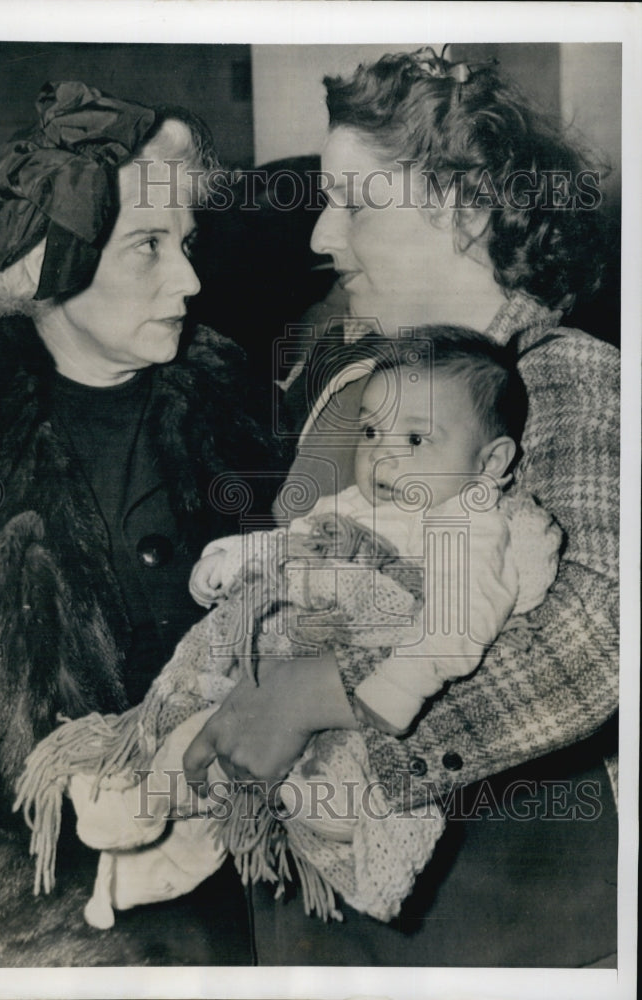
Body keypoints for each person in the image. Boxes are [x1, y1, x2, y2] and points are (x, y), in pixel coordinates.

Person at [180, 48, 619, 966]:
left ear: (464, 211)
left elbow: (599, 633)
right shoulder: (373, 383)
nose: (320, 239)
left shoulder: (563, 376)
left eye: (355, 203)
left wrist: (314, 697)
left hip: (499, 917)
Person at [0, 80, 284, 967]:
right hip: (33, 920)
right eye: (147, 245)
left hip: (239, 901)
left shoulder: (241, 413)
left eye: (185, 241)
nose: (189, 277)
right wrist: (49, 814)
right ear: (50, 269)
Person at [17, 325, 561, 932]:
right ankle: (140, 817)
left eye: (414, 438)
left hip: (374, 694)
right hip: (291, 656)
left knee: (328, 781)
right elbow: (291, 543)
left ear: (490, 462)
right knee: (206, 718)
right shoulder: (357, 505)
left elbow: (460, 624)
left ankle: (273, 816)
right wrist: (234, 560)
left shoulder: (473, 525)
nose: (383, 455)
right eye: (372, 432)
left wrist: (396, 689)